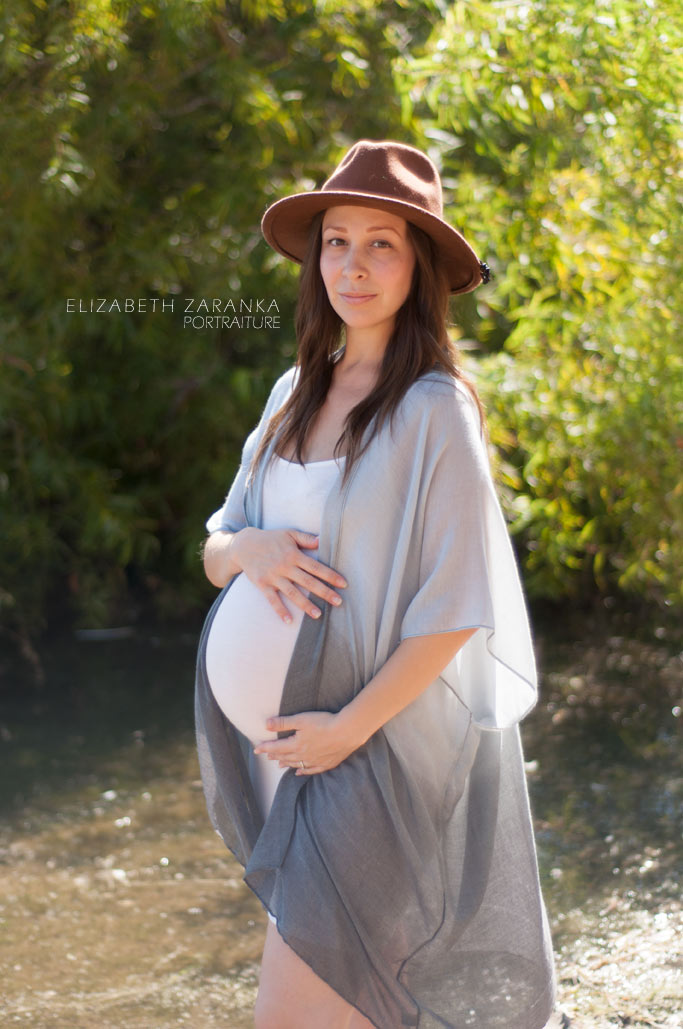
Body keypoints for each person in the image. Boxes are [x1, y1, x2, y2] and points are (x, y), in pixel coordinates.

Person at [195, 139, 556, 1029]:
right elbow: (216, 543)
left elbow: (456, 610)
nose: (352, 264)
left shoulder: (434, 408)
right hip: (293, 753)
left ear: (418, 266)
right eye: (336, 242)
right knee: (368, 1000)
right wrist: (251, 551)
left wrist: (344, 729)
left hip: (372, 745)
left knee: (295, 1009)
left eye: (380, 244)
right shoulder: (292, 392)